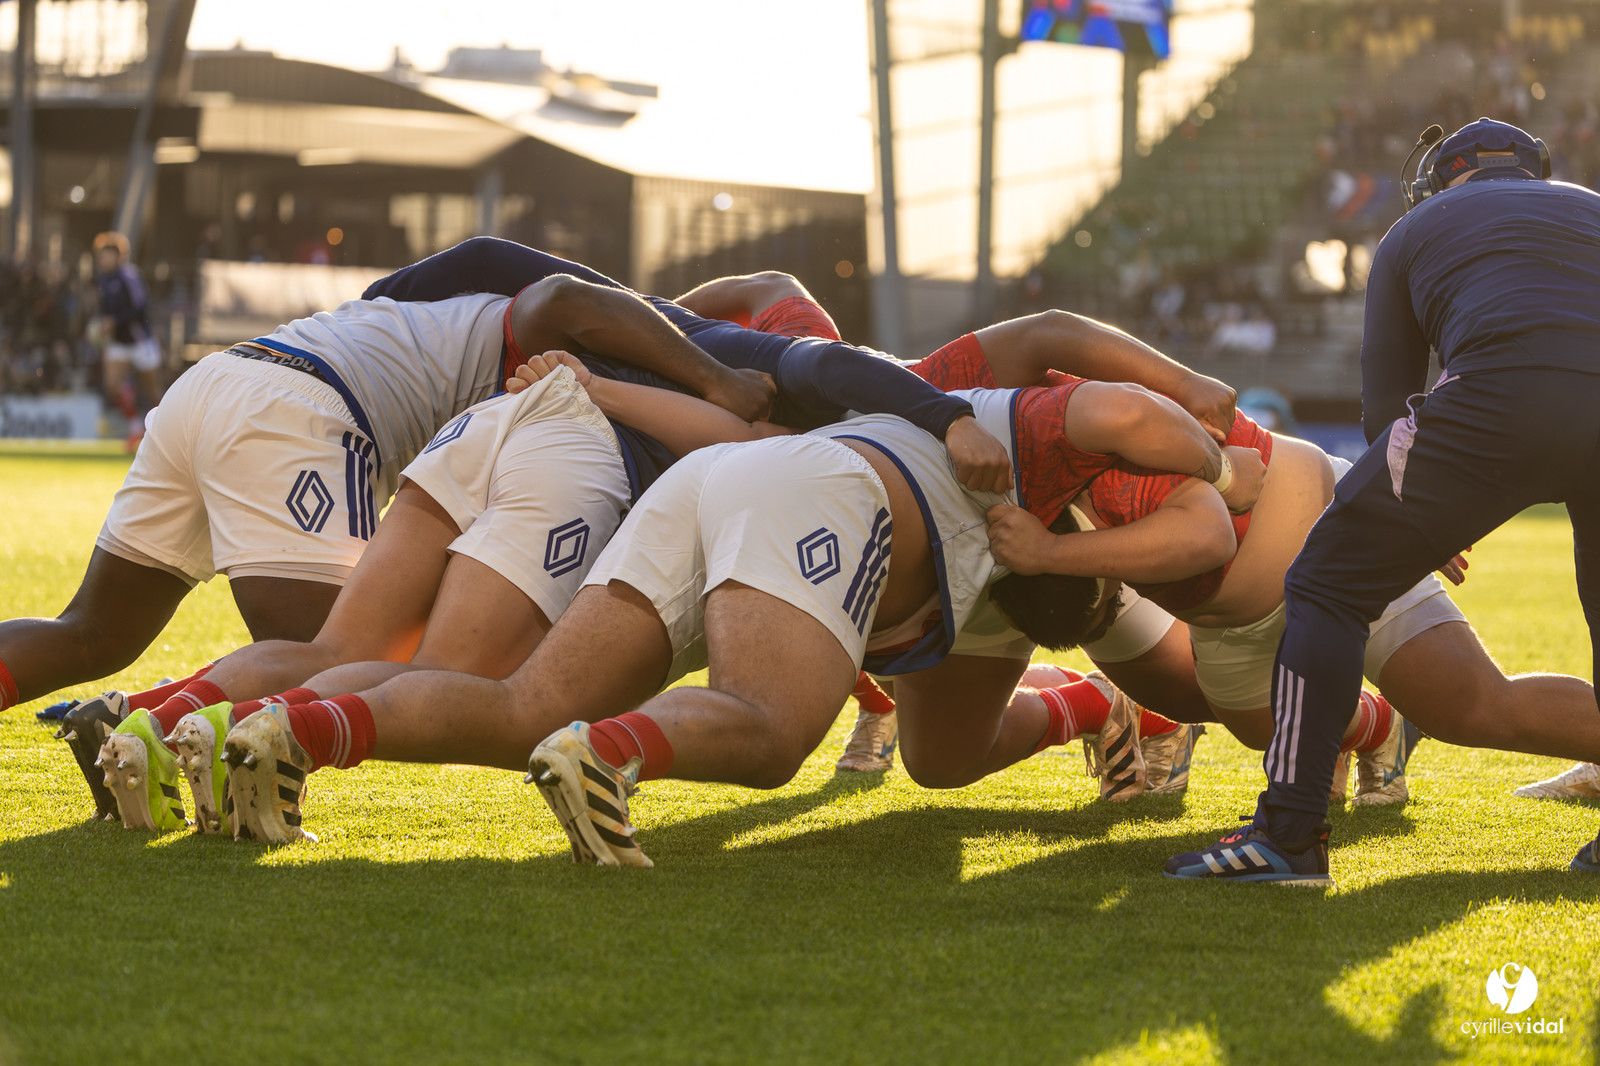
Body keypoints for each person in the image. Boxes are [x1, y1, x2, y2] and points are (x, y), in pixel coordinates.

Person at [26, 277, 775, 821]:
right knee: (436, 673)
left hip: (333, 400)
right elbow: (580, 306)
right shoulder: (577, 330)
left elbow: (750, 286)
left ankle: (155, 718)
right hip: (346, 411)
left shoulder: (469, 306)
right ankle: (241, 731)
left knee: (324, 646)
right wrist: (721, 382)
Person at [1164, 117, 1600, 882]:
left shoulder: (1414, 228)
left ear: (1444, 179)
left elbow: (1386, 412)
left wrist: (1426, 521)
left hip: (1498, 395)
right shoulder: (1591, 205)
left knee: (1327, 583)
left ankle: (1290, 835)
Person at [92, 232, 162, 446]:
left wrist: (115, 320)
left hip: (139, 339)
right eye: (101, 256)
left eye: (107, 255)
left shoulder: (129, 276)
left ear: (118, 256)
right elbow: (105, 309)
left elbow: (140, 308)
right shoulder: (104, 279)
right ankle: (134, 424)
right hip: (118, 342)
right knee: (112, 385)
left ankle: (163, 428)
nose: (103, 260)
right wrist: (103, 323)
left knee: (152, 390)